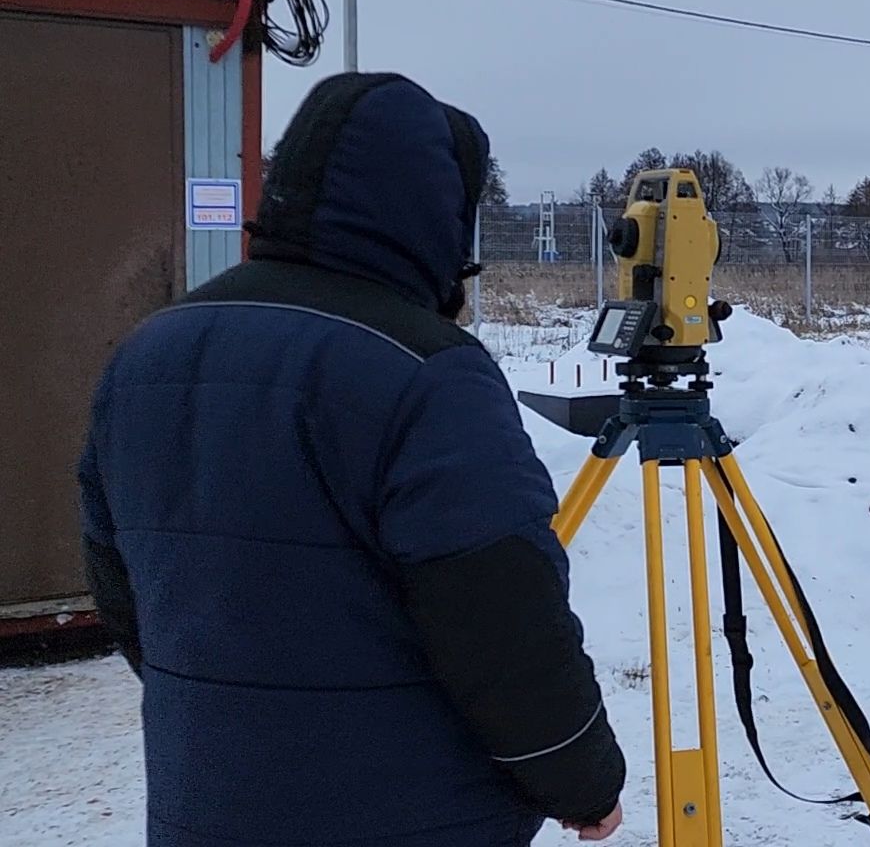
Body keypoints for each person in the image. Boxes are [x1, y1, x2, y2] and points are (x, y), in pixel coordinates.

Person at [77, 72, 626, 846]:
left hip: (205, 804)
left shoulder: (147, 353)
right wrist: (583, 779)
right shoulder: (428, 371)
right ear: (434, 215)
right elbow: (504, 616)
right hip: (411, 813)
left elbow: (123, 587)